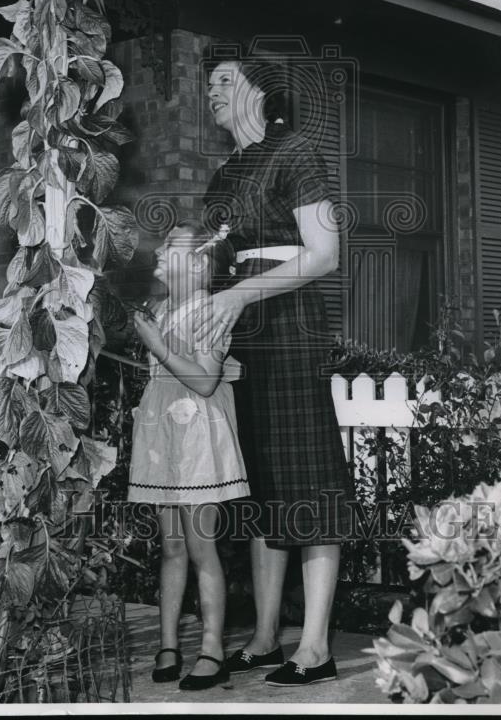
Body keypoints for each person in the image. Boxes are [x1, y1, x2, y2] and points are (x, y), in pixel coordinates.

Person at [202, 50, 355, 688]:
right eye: (208, 82)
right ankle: (265, 638)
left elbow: (324, 253)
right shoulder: (222, 175)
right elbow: (207, 266)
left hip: (290, 323)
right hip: (242, 337)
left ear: (261, 90)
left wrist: (240, 294)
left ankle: (315, 647)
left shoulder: (296, 153)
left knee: (307, 476)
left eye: (225, 80)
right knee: (260, 481)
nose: (212, 90)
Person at [127, 221, 249, 693]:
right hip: (165, 442)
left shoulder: (210, 311)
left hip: (198, 443)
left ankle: (213, 647)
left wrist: (157, 344)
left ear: (197, 265)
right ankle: (168, 643)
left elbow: (204, 381)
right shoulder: (160, 307)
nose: (157, 248)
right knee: (172, 546)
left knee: (201, 547)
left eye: (170, 246)